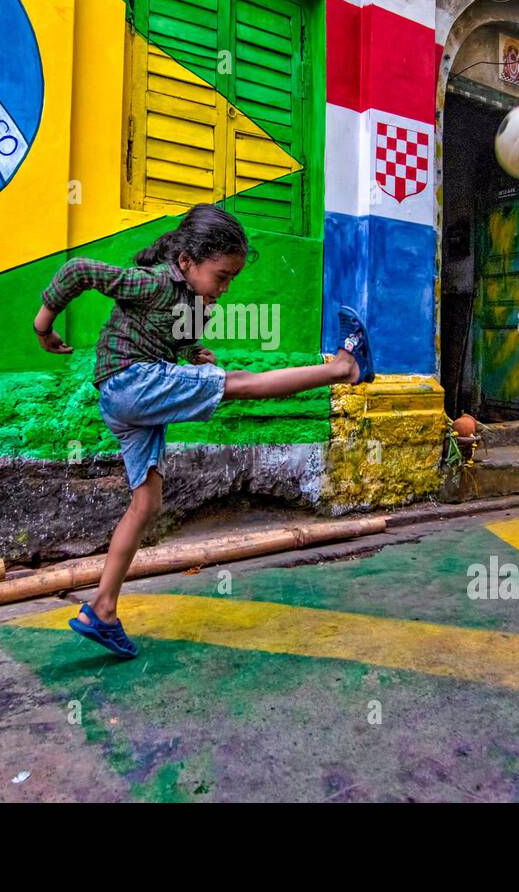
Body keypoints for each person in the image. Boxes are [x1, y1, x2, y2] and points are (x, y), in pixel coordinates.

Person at [32, 203, 374, 658]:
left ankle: (102, 609)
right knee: (240, 385)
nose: (226, 288)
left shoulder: (193, 304)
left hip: (125, 401)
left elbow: (173, 337)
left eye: (232, 278)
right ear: (187, 263)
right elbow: (79, 270)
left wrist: (194, 353)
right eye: (221, 276)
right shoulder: (153, 282)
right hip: (130, 382)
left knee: (147, 502)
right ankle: (344, 368)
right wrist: (44, 325)